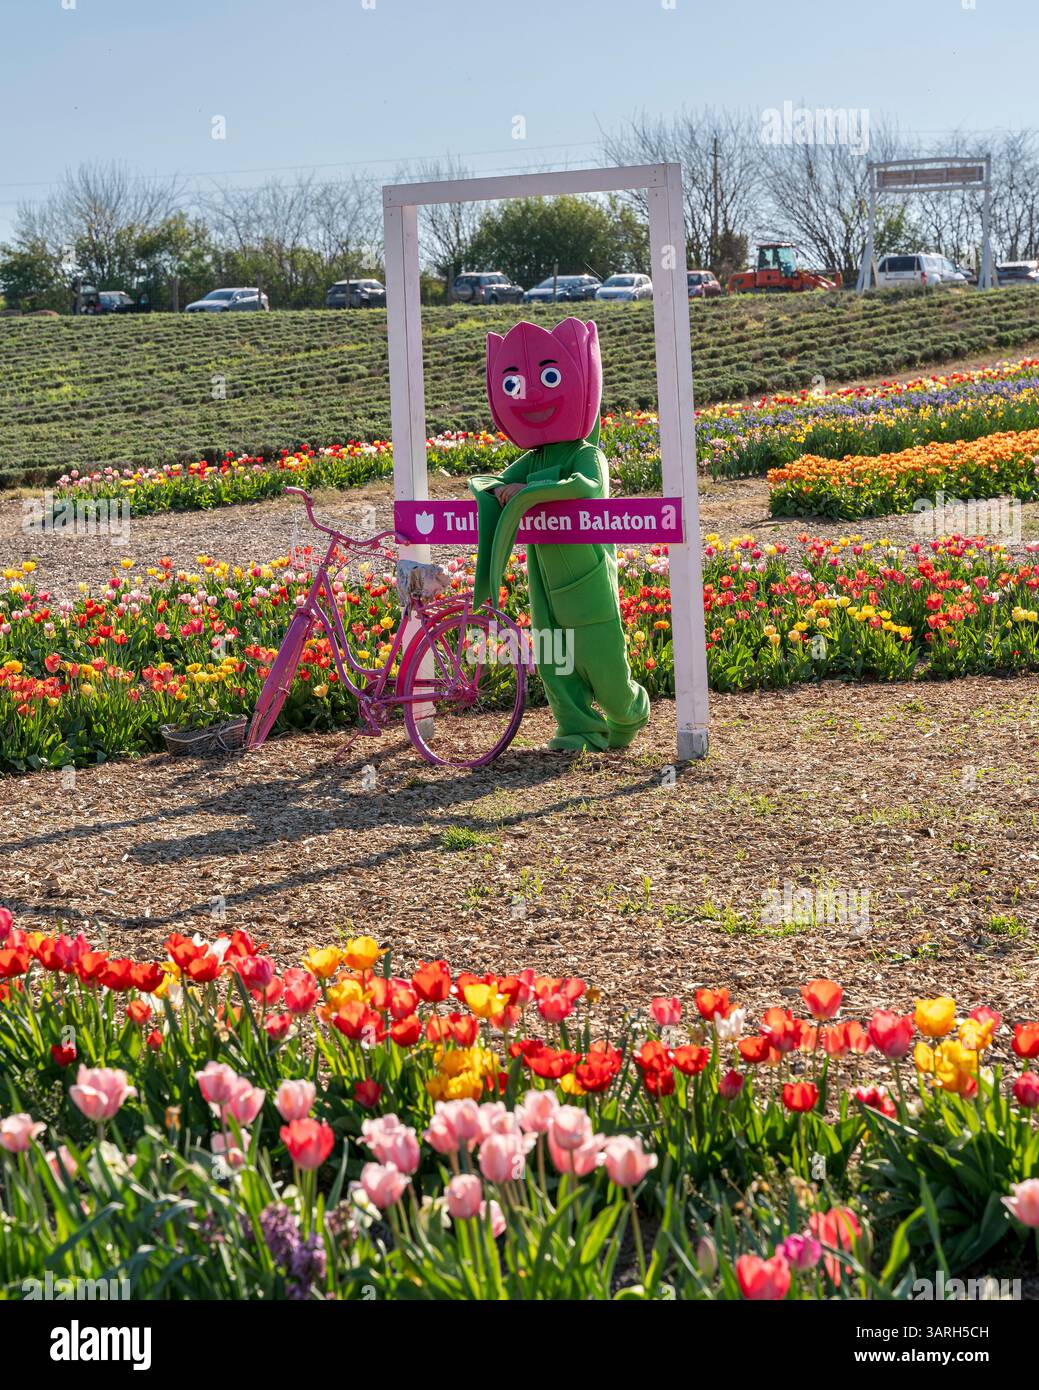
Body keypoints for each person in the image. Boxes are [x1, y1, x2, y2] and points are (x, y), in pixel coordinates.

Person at [470, 317, 649, 752]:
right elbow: (487, 483)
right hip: (546, 583)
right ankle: (578, 728)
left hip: (587, 577)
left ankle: (629, 712)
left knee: (602, 658)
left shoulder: (587, 454)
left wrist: (528, 492)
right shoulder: (535, 457)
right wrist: (501, 489)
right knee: (554, 659)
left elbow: (586, 488)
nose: (531, 395)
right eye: (513, 386)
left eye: (550, 378)